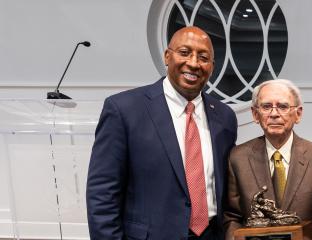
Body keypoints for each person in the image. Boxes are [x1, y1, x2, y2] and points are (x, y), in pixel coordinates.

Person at [86, 26, 238, 239]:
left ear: (212, 67)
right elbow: (102, 193)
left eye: (203, 57)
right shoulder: (124, 110)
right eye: (184, 53)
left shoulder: (225, 117)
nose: (193, 63)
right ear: (167, 56)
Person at [224, 79, 312, 240]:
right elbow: (232, 216)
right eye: (266, 106)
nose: (274, 113)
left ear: (298, 114)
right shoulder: (238, 158)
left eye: (283, 107)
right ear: (255, 114)